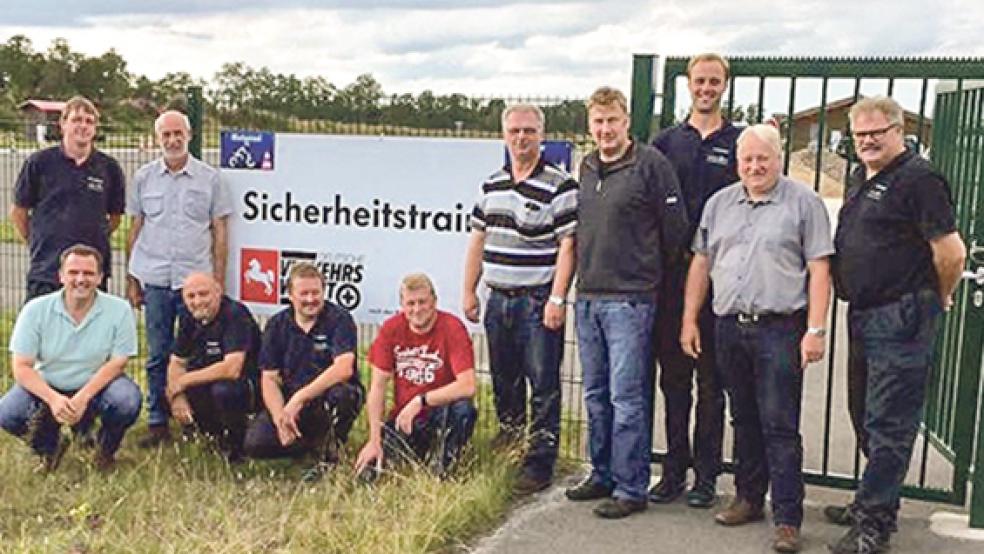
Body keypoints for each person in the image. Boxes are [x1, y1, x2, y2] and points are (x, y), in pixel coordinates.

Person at [681, 124, 833, 552]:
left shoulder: (805, 203)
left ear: (778, 159)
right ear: (737, 163)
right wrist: (689, 319)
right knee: (743, 419)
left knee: (780, 425)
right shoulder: (719, 205)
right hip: (728, 326)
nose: (754, 166)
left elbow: (820, 269)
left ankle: (787, 517)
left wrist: (815, 330)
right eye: (746, 159)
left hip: (780, 328)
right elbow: (701, 264)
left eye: (762, 158)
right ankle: (749, 498)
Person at [826, 96, 966, 554]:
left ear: (898, 131)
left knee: (889, 425)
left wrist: (939, 296)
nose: (866, 141)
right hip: (864, 314)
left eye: (876, 133)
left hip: (901, 315)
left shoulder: (919, 179)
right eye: (860, 134)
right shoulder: (860, 176)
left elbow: (951, 251)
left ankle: (874, 527)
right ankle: (873, 499)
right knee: (864, 417)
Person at [564, 86, 689, 519]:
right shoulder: (587, 165)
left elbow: (676, 232)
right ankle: (601, 473)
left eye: (612, 121)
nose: (605, 130)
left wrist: (646, 274)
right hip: (589, 298)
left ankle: (631, 486)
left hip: (631, 301)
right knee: (596, 395)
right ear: (590, 126)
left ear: (626, 121)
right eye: (597, 122)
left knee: (627, 398)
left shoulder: (651, 164)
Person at [462, 102, 577, 495]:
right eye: (515, 131)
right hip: (498, 300)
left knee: (543, 385)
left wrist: (557, 298)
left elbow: (568, 246)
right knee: (504, 381)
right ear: (504, 135)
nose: (522, 138)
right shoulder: (491, 184)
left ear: (541, 135)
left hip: (536, 301)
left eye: (529, 131)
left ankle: (540, 463)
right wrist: (469, 290)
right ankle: (510, 446)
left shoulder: (560, 185)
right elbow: (478, 239)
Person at [649, 52, 739, 508]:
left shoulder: (738, 141)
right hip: (671, 278)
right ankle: (673, 471)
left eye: (714, 81)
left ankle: (707, 476)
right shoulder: (665, 142)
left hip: (721, 281)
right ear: (688, 85)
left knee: (712, 383)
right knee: (674, 381)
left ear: (725, 85)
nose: (706, 88)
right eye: (700, 81)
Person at [126, 109, 233, 447]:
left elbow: (220, 231)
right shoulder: (144, 178)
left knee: (196, 357)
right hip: (155, 280)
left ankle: (193, 420)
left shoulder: (210, 179)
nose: (172, 140)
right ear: (157, 139)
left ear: (189, 136)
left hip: (195, 286)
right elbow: (135, 228)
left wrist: (217, 280)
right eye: (165, 135)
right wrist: (132, 277)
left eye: (178, 133)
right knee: (158, 353)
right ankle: (158, 421)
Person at [0, 244, 140, 471]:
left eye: (89, 273)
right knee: (8, 413)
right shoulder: (35, 310)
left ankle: (104, 451)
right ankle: (49, 449)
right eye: (73, 273)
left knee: (127, 401)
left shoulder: (120, 310)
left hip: (96, 385)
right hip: (49, 384)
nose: (81, 279)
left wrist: (83, 397)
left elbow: (118, 362)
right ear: (61, 276)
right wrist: (54, 399)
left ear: (100, 277)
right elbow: (22, 366)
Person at [244, 262, 364, 481]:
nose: (310, 299)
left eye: (315, 292)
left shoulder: (339, 319)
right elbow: (269, 378)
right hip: (290, 404)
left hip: (325, 397)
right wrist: (280, 417)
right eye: (304, 294)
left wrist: (301, 397)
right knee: (255, 444)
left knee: (343, 396)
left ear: (324, 291)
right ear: (290, 295)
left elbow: (344, 368)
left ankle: (330, 451)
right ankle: (306, 446)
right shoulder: (277, 325)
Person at [355, 273, 477, 480]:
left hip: (440, 414)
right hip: (404, 419)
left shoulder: (452, 328)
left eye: (423, 302)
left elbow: (468, 386)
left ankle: (442, 471)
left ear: (434, 302)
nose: (417, 309)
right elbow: (377, 387)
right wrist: (374, 440)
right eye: (410, 303)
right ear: (402, 305)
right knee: (371, 473)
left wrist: (421, 401)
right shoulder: (391, 329)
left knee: (464, 410)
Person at [10, 96, 126, 300]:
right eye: (77, 120)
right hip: (46, 271)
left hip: (91, 274)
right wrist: (38, 239)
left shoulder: (109, 168)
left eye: (89, 121)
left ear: (95, 128)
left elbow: (115, 217)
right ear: (63, 124)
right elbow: (19, 212)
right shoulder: (39, 163)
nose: (83, 126)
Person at [166, 272, 260, 462]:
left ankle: (237, 447)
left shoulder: (235, 314)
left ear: (218, 292)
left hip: (247, 383)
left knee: (223, 391)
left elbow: (232, 368)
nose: (198, 301)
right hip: (208, 376)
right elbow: (177, 361)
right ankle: (211, 438)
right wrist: (177, 396)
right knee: (167, 383)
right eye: (191, 296)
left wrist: (182, 381)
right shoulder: (187, 316)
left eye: (203, 294)